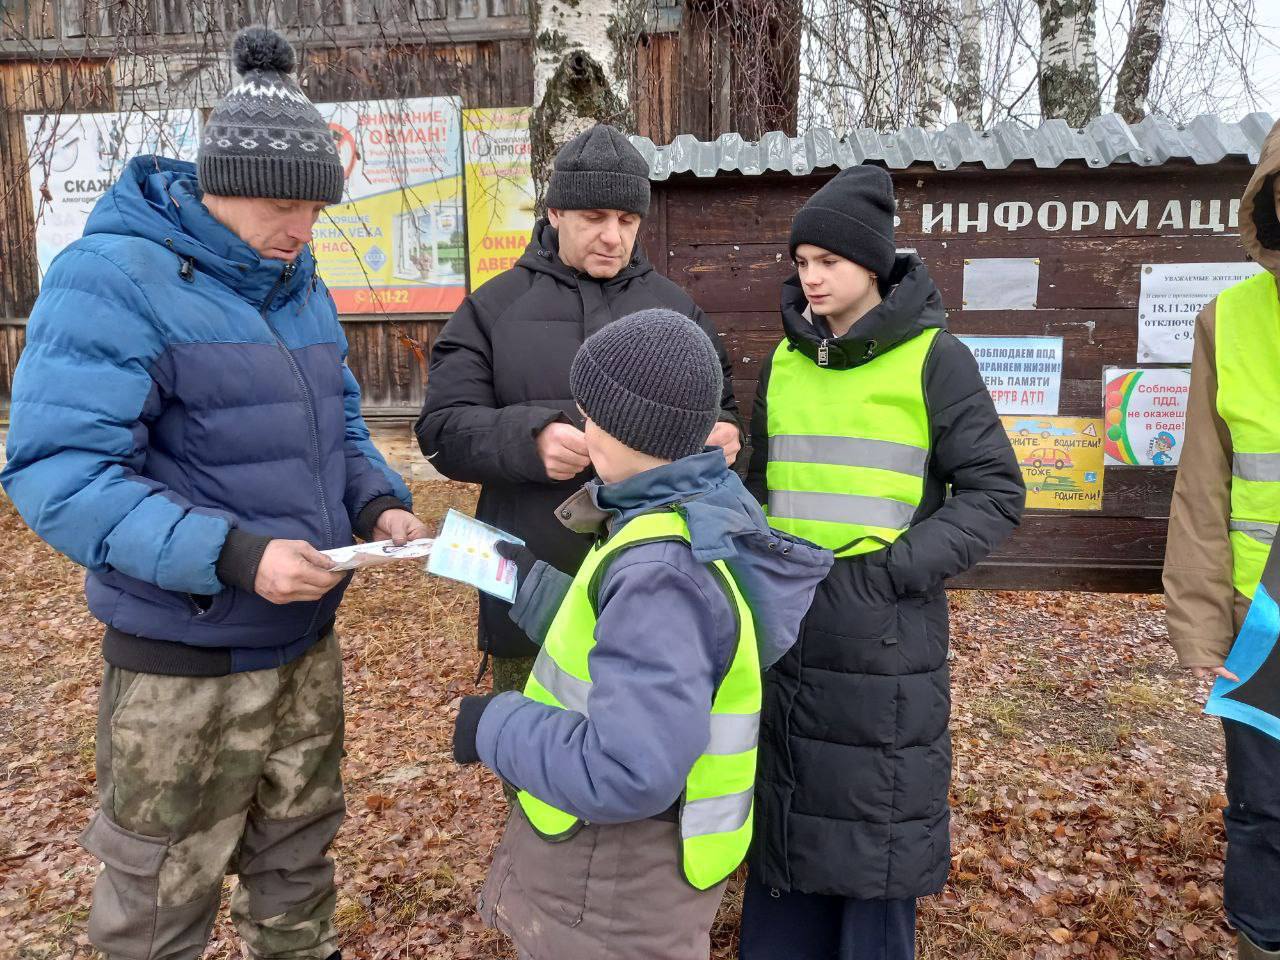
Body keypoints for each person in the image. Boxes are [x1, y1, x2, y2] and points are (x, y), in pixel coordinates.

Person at [0, 27, 427, 960]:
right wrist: (235, 555)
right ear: (218, 185)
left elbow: (341, 425)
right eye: (283, 206)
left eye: (317, 210)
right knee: (159, 906)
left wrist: (377, 503)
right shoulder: (110, 280)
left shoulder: (296, 283)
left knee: (298, 873)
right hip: (182, 670)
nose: (303, 231)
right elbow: (60, 475)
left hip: (304, 648)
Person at [449, 309, 832, 960]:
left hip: (614, 883)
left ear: (624, 429)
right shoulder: (688, 512)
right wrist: (510, 573)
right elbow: (622, 637)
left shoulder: (662, 570)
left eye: (591, 415)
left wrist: (494, 725)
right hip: (622, 869)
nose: (584, 428)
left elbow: (630, 770)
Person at [741, 165, 1025, 960]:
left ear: (872, 263)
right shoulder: (785, 363)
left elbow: (996, 491)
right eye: (802, 262)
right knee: (787, 836)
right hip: (787, 637)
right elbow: (764, 489)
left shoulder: (935, 359)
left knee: (875, 847)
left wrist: (891, 573)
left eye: (829, 261)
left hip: (885, 649)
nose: (812, 277)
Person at [416, 123, 741, 697]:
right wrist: (528, 440)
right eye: (594, 217)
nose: (613, 236)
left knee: (650, 748)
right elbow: (441, 430)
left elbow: (728, 413)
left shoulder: (677, 310)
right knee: (532, 746)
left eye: (628, 220)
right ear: (556, 212)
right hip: (528, 596)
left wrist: (727, 435)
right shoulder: (491, 309)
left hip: (660, 597)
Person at [1164, 117, 1280, 960]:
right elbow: (1202, 488)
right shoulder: (1230, 319)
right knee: (1265, 813)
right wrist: (1203, 630)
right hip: (1260, 622)